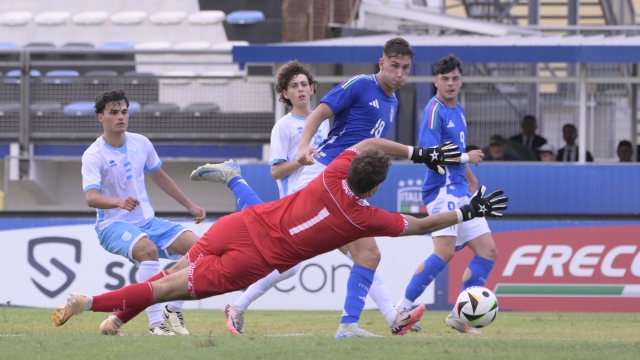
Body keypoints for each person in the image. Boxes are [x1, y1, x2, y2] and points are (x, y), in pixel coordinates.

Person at [53, 138, 508, 338]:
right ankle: (90, 302)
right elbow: (425, 225)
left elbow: (373, 142)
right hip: (254, 260)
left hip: (240, 226)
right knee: (167, 287)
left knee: (173, 270)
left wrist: (419, 153)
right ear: (372, 189)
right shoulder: (365, 218)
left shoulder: (334, 172)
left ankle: (116, 321)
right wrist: (471, 209)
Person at [292, 37, 417, 338]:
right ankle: (368, 321)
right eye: (395, 66)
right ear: (382, 63)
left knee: (366, 254)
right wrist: (303, 144)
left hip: (346, 185)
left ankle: (369, 321)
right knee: (280, 250)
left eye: (406, 68)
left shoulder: (393, 102)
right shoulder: (360, 84)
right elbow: (320, 112)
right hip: (325, 174)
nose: (400, 73)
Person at [207, 60, 329, 334]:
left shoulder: (324, 122)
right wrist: (302, 160)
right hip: (295, 203)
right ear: (284, 93)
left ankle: (382, 316)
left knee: (357, 250)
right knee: (294, 264)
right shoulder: (283, 127)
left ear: (312, 88)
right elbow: (276, 172)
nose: (300, 90)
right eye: (293, 86)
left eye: (303, 84)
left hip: (322, 201)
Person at [81, 90, 206, 335]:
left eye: (124, 112)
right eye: (114, 112)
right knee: (148, 251)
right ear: (100, 117)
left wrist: (189, 205)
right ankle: (155, 324)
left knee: (202, 250)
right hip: (112, 226)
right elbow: (91, 198)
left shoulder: (141, 143)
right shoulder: (93, 155)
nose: (121, 117)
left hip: (148, 222)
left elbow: (159, 176)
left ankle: (173, 307)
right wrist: (118, 202)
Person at [394, 54, 502, 335]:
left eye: (455, 78)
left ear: (461, 79)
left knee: (488, 251)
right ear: (436, 81)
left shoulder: (459, 109)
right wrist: (467, 158)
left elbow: (456, 151)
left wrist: (471, 181)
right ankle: (402, 308)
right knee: (443, 252)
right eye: (445, 79)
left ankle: (460, 316)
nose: (450, 83)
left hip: (460, 190)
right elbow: (431, 156)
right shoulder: (434, 111)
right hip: (441, 190)